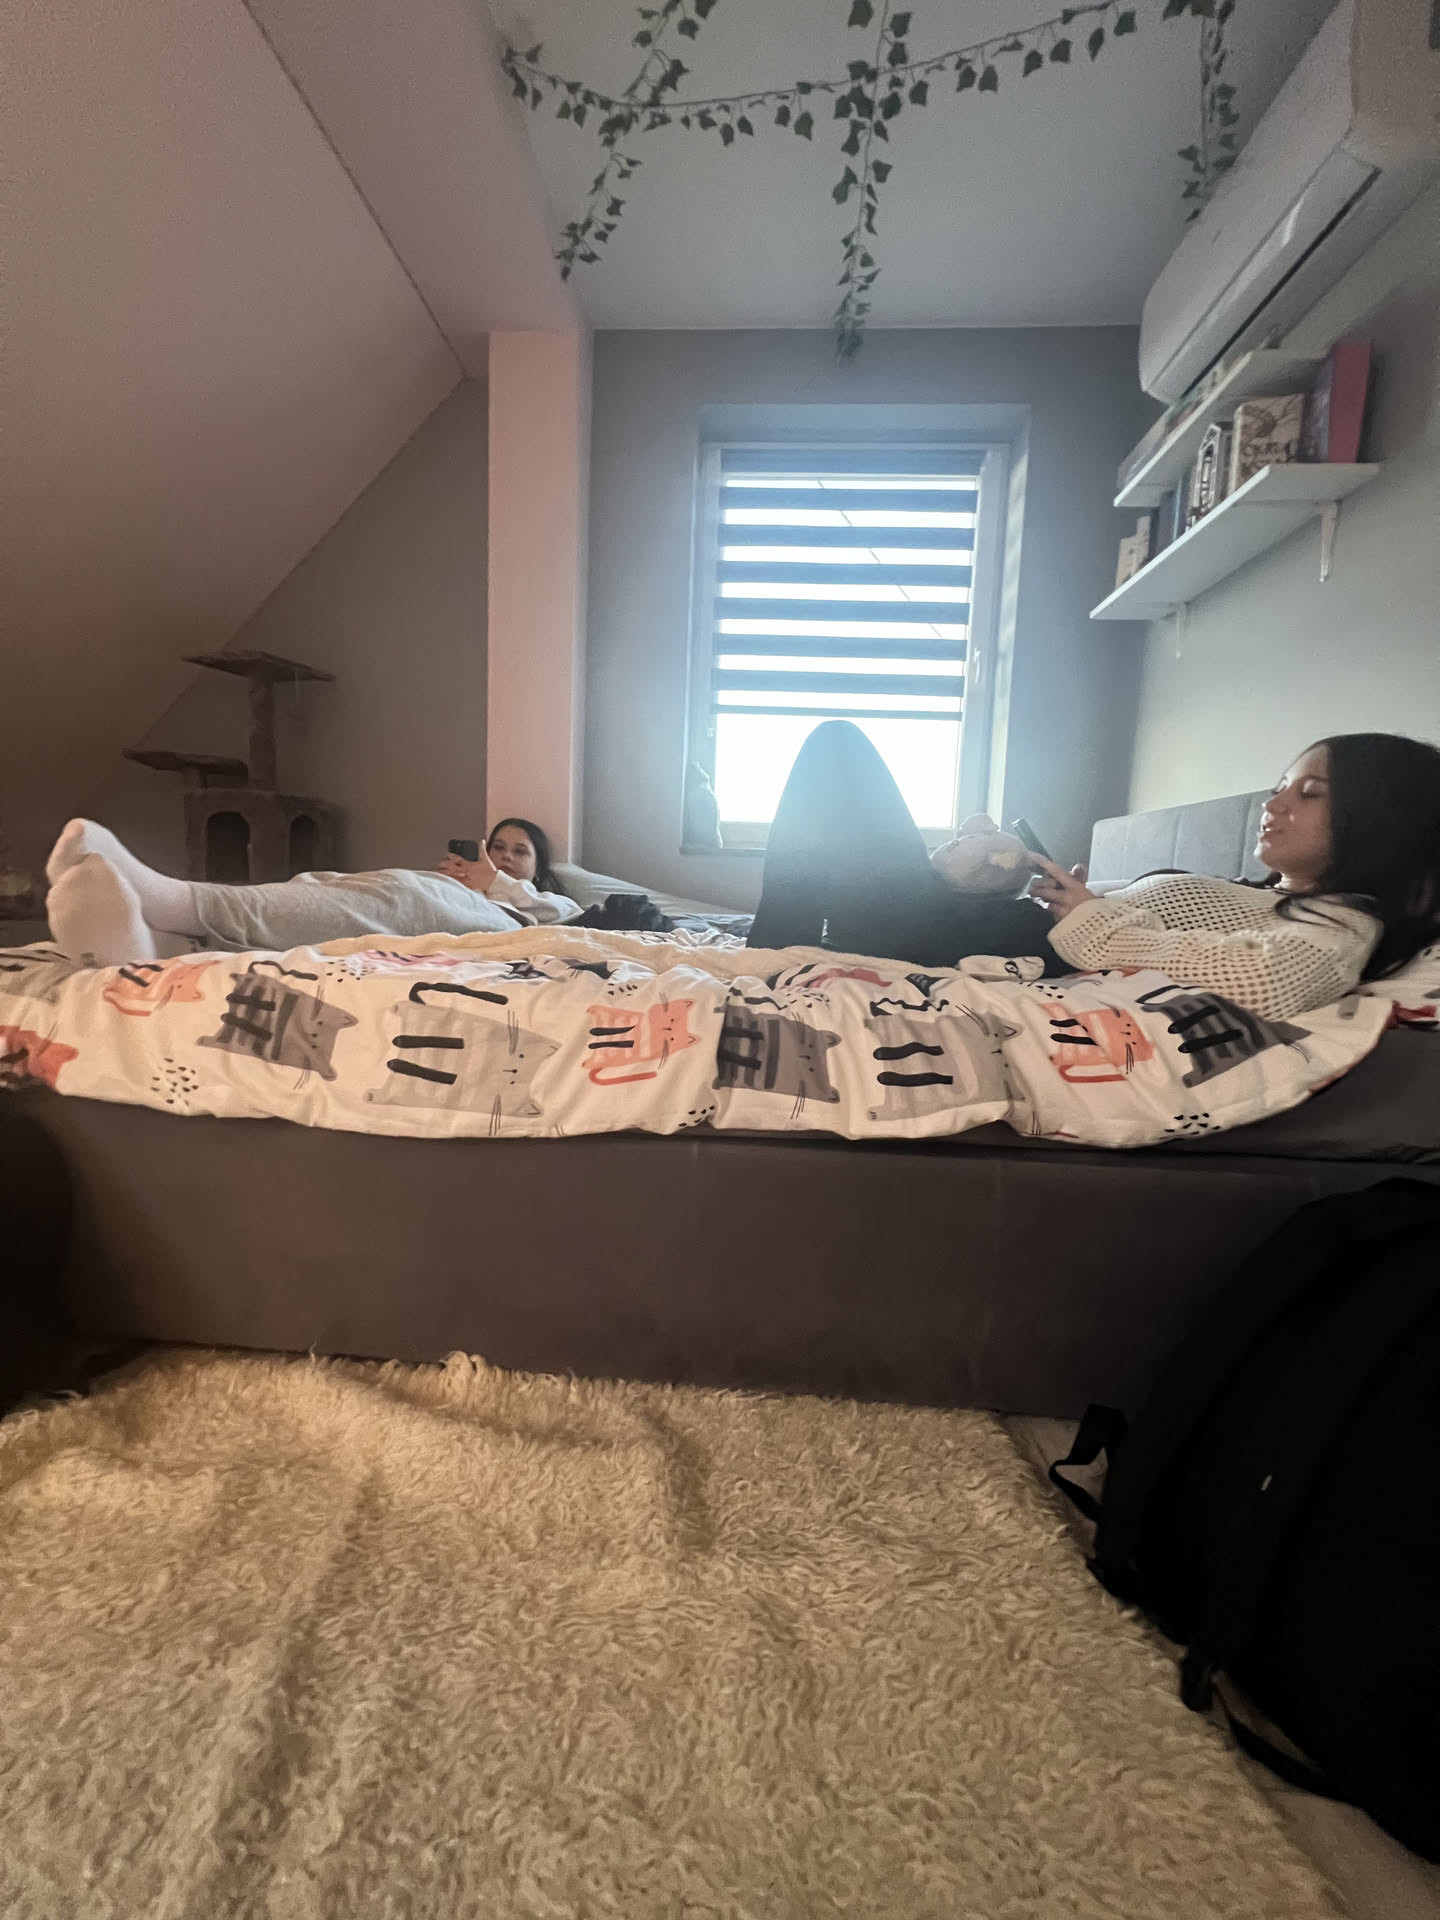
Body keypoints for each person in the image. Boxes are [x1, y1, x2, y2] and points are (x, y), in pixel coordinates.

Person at [746, 721, 1440, 1022]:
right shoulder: (1269, 895)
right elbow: (1178, 934)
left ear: (1379, 818)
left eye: (1309, 793)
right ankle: (778, 944)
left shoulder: (1343, 919)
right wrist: (1082, 896)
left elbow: (1266, 981)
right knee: (840, 758)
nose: (1275, 803)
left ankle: (773, 946)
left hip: (976, 942)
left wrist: (1096, 919)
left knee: (838, 751)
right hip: (974, 925)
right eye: (1281, 785)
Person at [43, 817, 580, 966]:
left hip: (489, 921)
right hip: (441, 893)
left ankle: (168, 897)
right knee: (321, 889)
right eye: (497, 847)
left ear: (539, 870)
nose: (504, 856)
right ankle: (156, 947)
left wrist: (493, 884)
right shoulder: (459, 882)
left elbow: (562, 917)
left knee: (401, 898)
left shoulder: (554, 907)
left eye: (519, 852)